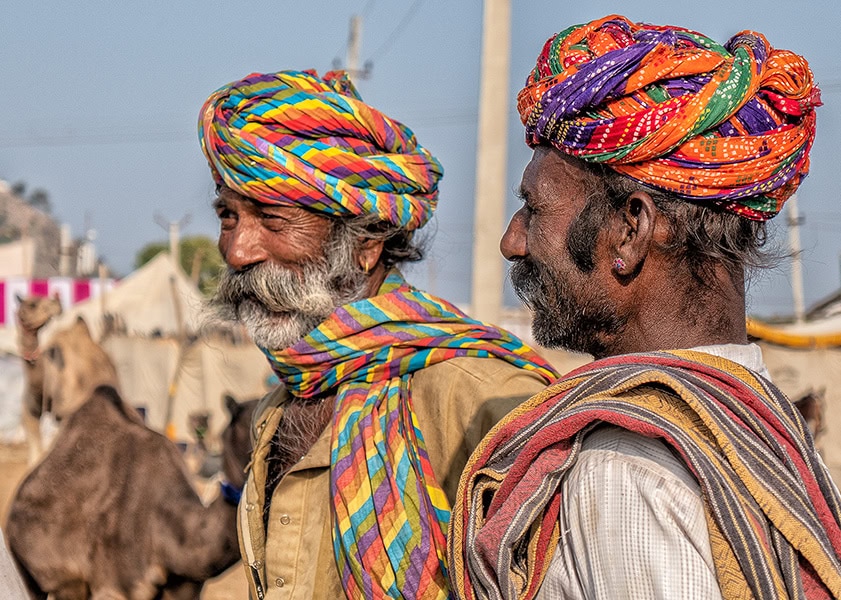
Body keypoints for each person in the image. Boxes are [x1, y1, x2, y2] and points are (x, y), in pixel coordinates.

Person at [448, 15, 841, 599]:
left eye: (534, 208)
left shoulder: (623, 471)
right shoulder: (772, 430)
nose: (513, 241)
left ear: (631, 229)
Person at [198, 70, 558, 600]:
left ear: (365, 244)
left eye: (272, 219)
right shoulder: (280, 406)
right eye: (229, 217)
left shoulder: (480, 400)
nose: (237, 251)